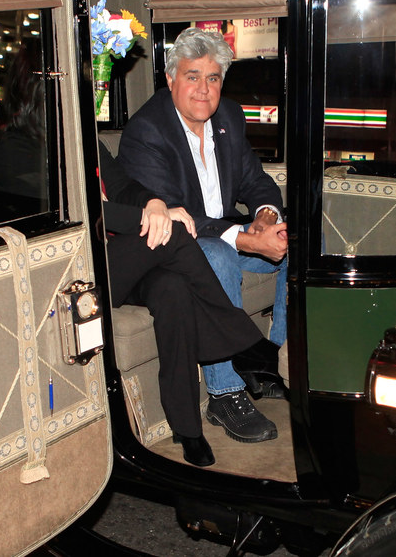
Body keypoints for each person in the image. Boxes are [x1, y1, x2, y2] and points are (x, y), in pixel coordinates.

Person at [0, 47, 279, 465]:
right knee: (178, 236)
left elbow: (124, 187)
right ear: (43, 94)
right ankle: (249, 346)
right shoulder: (17, 150)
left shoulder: (82, 140)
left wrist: (154, 204)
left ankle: (187, 429)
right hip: (76, 272)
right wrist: (152, 215)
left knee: (175, 291)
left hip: (125, 262)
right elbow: (81, 217)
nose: (91, 96)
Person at [117, 27, 289, 444]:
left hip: (222, 229)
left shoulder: (229, 116)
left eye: (213, 78)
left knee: (295, 241)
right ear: (171, 78)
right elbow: (182, 220)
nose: (203, 89)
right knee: (219, 255)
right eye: (192, 76)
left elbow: (255, 180)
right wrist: (246, 239)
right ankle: (224, 392)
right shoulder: (147, 132)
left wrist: (266, 217)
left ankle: (275, 361)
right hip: (175, 250)